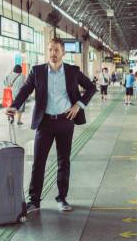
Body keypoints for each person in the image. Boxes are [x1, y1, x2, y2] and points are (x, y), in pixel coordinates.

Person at [6, 38, 96, 213]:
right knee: (39, 162)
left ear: (63, 52)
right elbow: (25, 90)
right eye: (50, 50)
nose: (52, 54)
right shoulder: (38, 71)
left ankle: (62, 198)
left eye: (56, 50)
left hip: (65, 121)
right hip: (44, 122)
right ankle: (34, 200)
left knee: (64, 161)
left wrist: (78, 105)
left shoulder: (72, 71)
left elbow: (91, 88)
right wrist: (14, 106)